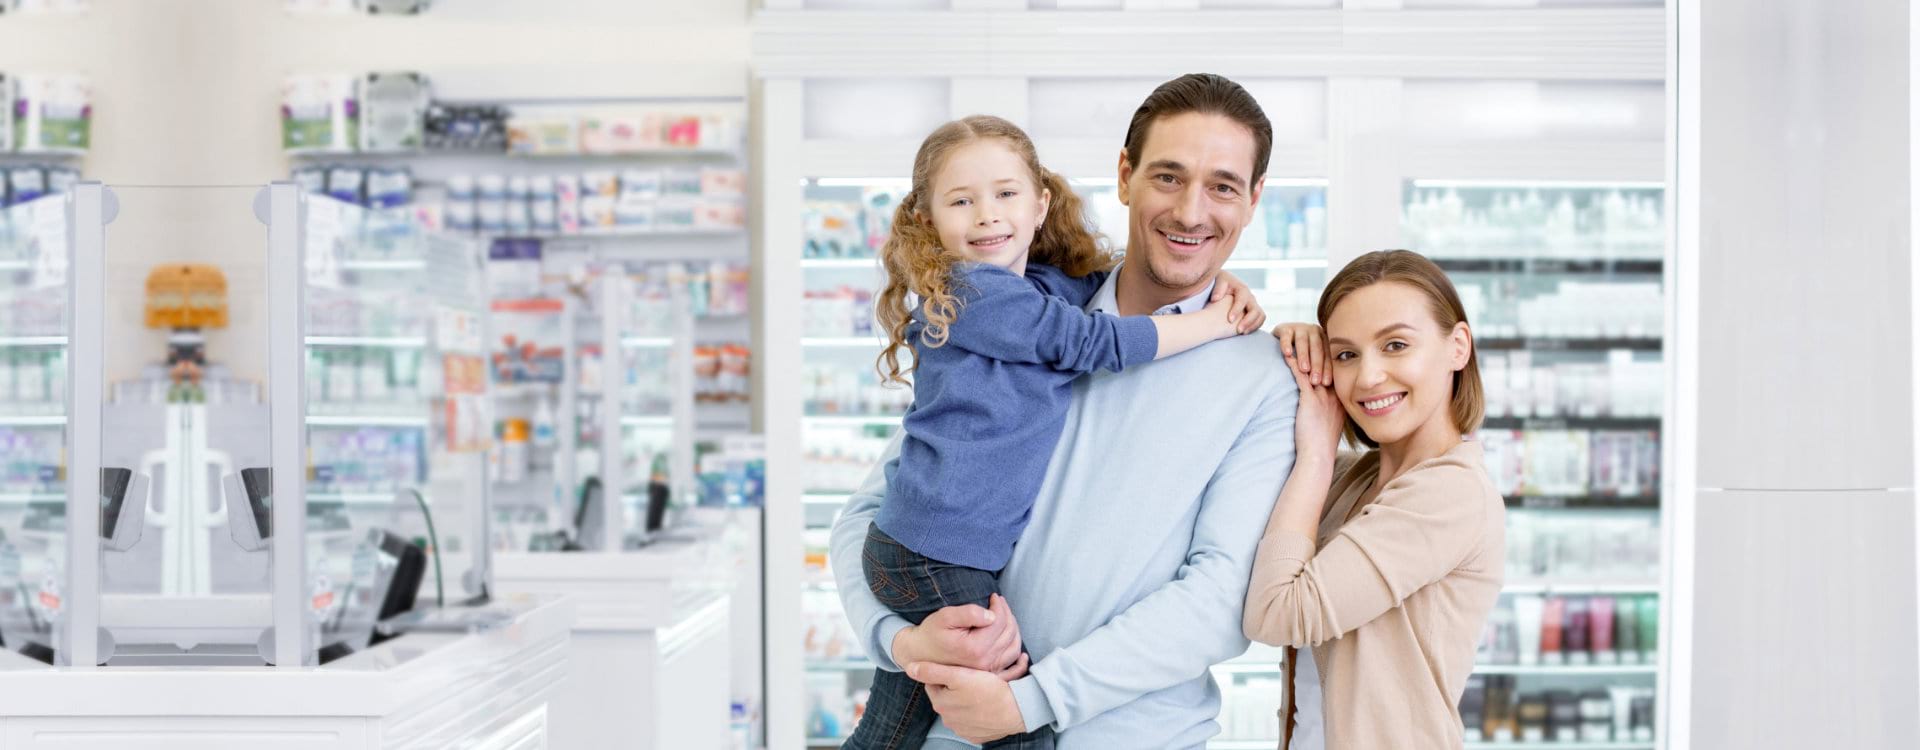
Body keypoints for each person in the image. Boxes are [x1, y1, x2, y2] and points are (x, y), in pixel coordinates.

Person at [831, 73, 1299, 749]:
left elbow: (1220, 601)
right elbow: (873, 516)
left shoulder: (1266, 378)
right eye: (1168, 177)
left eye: (1223, 185)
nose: (1193, 212)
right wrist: (902, 641)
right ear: (1124, 175)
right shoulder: (1021, 316)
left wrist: (1032, 701)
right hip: (952, 732)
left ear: (1254, 200)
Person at [1245, 249, 1507, 749]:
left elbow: (1278, 613)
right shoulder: (1358, 479)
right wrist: (1284, 344)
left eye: (1395, 345)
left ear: (1458, 347)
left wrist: (1319, 452)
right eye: (1345, 354)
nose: (1367, 377)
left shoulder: (1449, 493)